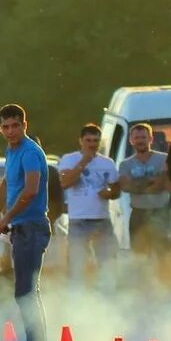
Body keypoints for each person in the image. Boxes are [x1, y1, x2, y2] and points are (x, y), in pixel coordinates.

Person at [0, 103, 50, 341]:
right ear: (0, 128)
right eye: (6, 127)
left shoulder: (30, 152)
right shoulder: (11, 151)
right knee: (25, 290)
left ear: (25, 125)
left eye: (16, 125)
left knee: (26, 292)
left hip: (32, 227)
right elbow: (6, 183)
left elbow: (31, 190)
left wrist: (5, 218)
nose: (11, 131)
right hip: (21, 229)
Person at [57, 123, 119, 288]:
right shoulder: (69, 159)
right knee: (76, 264)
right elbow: (65, 182)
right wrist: (84, 161)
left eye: (96, 141)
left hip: (102, 219)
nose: (92, 144)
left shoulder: (108, 163)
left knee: (107, 263)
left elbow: (116, 189)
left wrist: (110, 192)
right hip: (79, 220)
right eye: (88, 140)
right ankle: (76, 296)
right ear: (81, 141)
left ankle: (107, 294)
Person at [117, 122, 170, 261]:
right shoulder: (125, 164)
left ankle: (163, 282)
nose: (140, 141)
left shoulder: (164, 158)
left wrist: (138, 183)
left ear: (151, 139)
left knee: (162, 254)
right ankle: (141, 282)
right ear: (131, 140)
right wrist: (152, 181)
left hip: (160, 212)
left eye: (143, 137)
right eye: (137, 138)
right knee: (139, 255)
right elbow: (125, 186)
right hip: (138, 214)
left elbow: (162, 185)